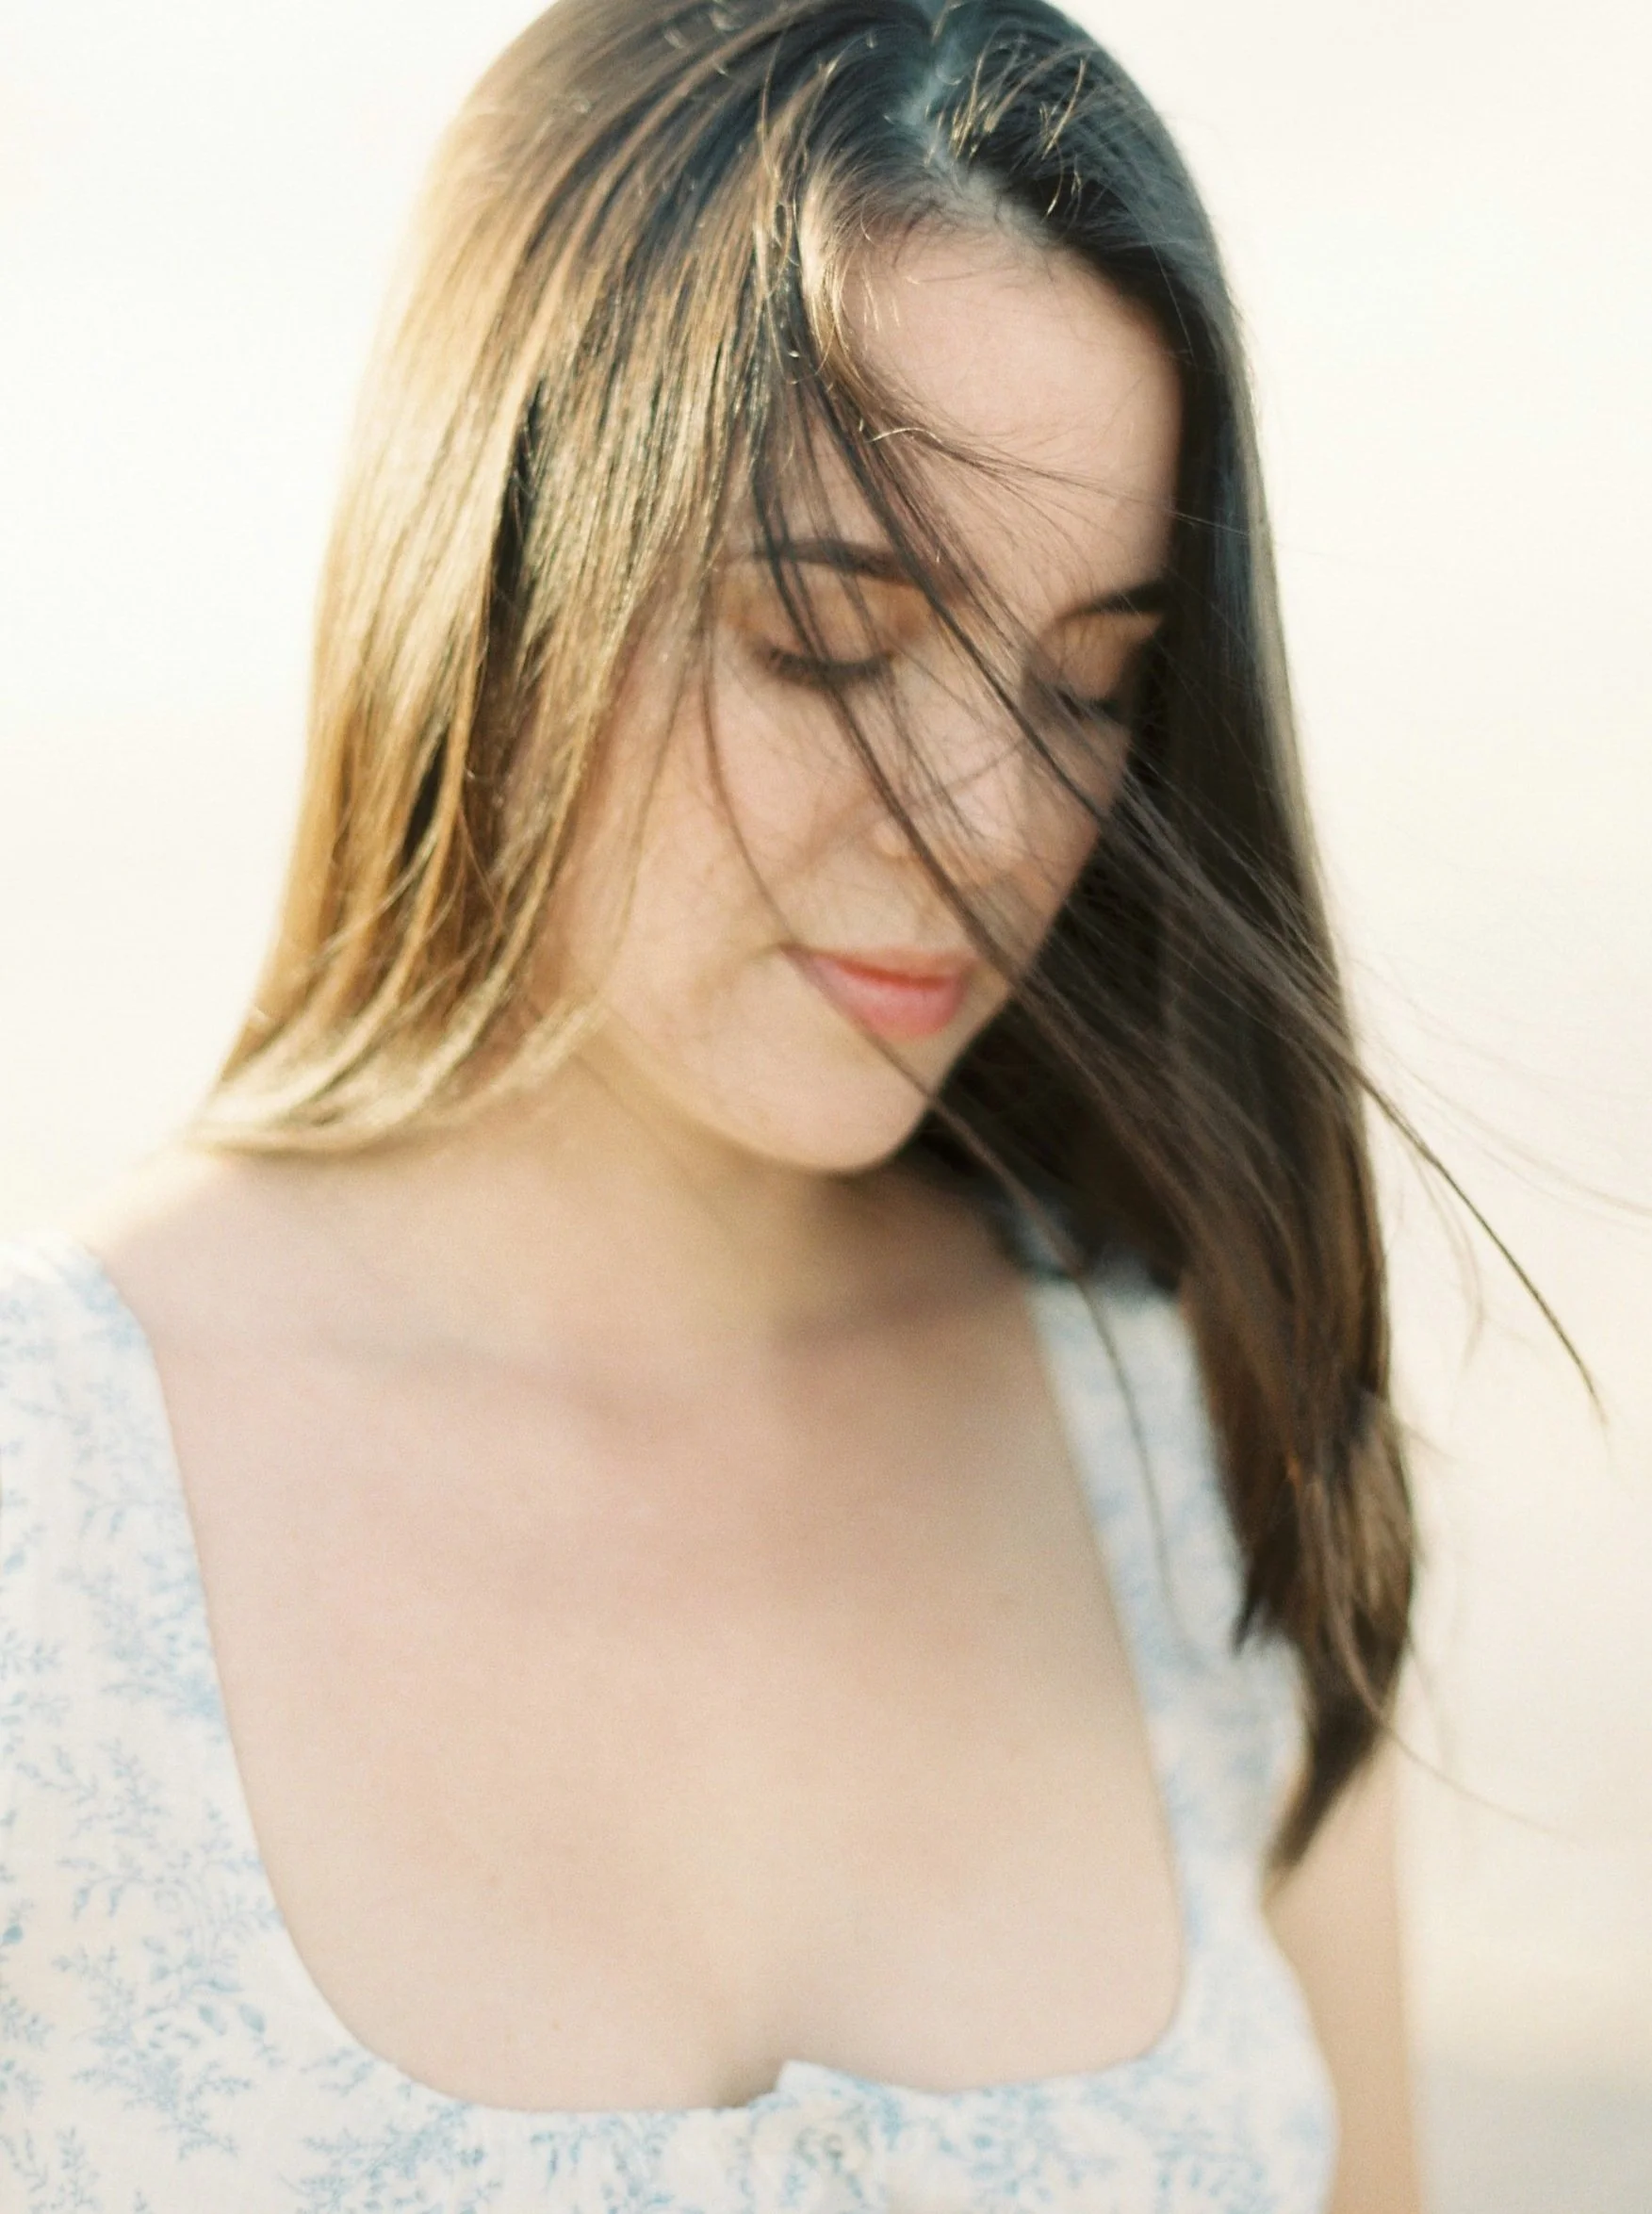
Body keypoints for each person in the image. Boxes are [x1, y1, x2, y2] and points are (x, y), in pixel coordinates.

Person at [0, 2, 1424, 2206]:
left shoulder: (1196, 1432)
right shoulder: (48, 1518)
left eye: (1089, 683)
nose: (982, 823)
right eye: (823, 634)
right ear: (496, 557)